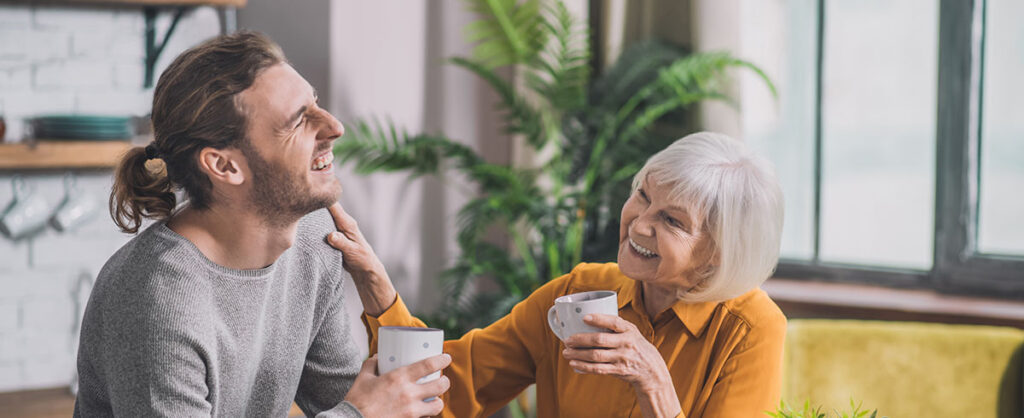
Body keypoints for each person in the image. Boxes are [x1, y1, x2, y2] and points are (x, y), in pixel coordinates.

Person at [74, 31, 451, 417]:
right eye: (298, 121)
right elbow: (358, 410)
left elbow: (350, 397)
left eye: (315, 104)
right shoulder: (162, 304)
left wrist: (385, 309)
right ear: (224, 165)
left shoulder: (312, 240)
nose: (334, 126)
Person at [326, 131, 788, 417]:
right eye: (643, 196)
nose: (639, 223)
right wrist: (379, 293)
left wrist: (654, 385)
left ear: (715, 257)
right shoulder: (580, 293)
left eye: (672, 221)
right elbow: (445, 392)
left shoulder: (750, 331)